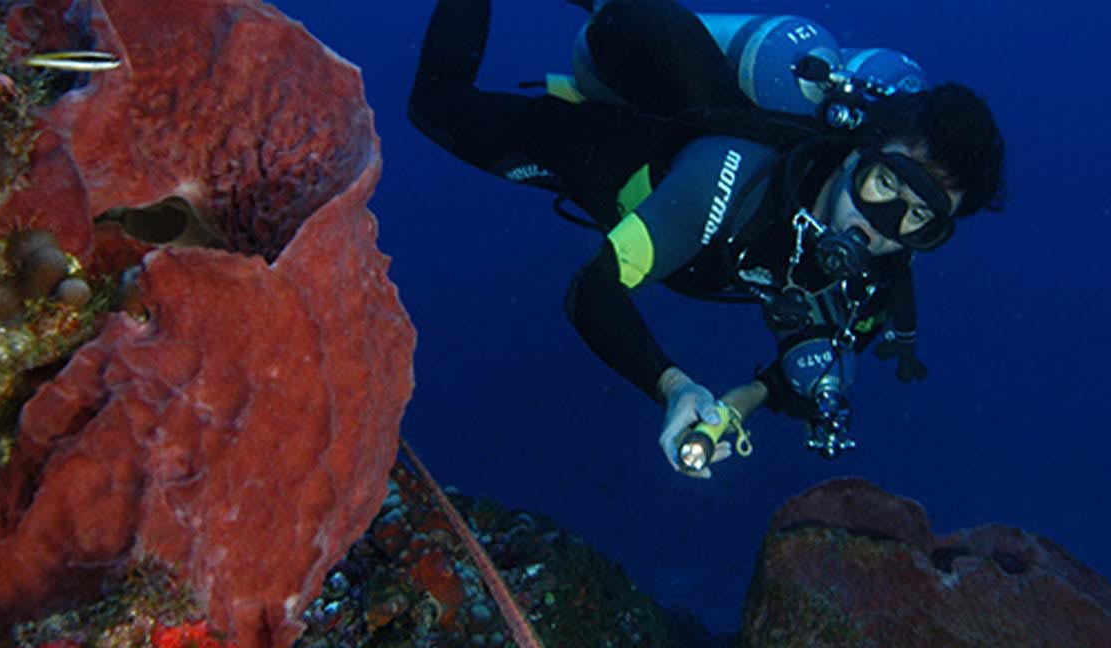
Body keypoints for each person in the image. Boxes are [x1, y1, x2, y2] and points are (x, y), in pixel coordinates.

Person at [409, 0, 1006, 477]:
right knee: (435, 108)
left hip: (684, 203)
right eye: (884, 184)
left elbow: (797, 376)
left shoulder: (871, 294)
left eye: (918, 220)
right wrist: (674, 386)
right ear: (858, 155)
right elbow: (594, 289)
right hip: (611, 158)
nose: (880, 227)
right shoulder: (734, 173)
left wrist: (730, 408)